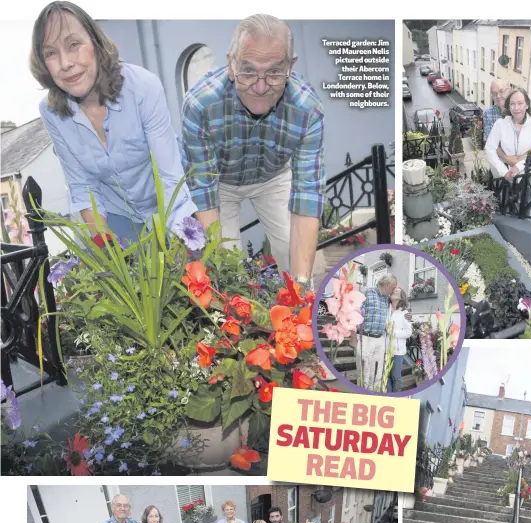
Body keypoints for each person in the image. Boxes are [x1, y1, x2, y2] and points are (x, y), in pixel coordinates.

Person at [31, 2, 196, 241]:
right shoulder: (51, 112)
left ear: (95, 44)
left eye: (74, 44)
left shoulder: (142, 87)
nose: (65, 63)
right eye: (51, 53)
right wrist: (106, 247)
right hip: (116, 213)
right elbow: (81, 184)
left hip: (166, 205)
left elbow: (170, 177)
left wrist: (179, 243)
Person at [181, 14, 326, 280]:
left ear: (290, 67)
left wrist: (302, 287)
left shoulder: (308, 110)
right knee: (225, 267)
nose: (260, 87)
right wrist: (221, 273)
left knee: (305, 264)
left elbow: (308, 195)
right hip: (219, 182)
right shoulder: (200, 105)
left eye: (273, 71)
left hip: (274, 176)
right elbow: (202, 188)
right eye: (248, 70)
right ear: (230, 64)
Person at [350, 273, 398, 391]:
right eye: (393, 287)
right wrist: (353, 337)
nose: (394, 290)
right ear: (387, 285)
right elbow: (354, 313)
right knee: (364, 370)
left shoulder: (387, 299)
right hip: (365, 337)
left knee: (378, 371)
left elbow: (395, 312)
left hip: (380, 339)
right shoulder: (367, 293)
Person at [485, 88, 531, 180]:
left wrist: (518, 166)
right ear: (508, 106)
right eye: (512, 104)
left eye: (520, 103)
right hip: (504, 179)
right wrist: (504, 172)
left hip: (527, 179)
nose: (516, 108)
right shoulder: (500, 124)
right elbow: (490, 148)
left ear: (527, 105)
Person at [387, 286, 413, 393]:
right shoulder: (386, 309)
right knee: (386, 377)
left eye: (397, 291)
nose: (394, 291)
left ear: (401, 297)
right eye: (393, 290)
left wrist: (392, 332)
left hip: (397, 351)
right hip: (384, 349)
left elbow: (408, 332)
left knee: (396, 377)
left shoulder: (405, 313)